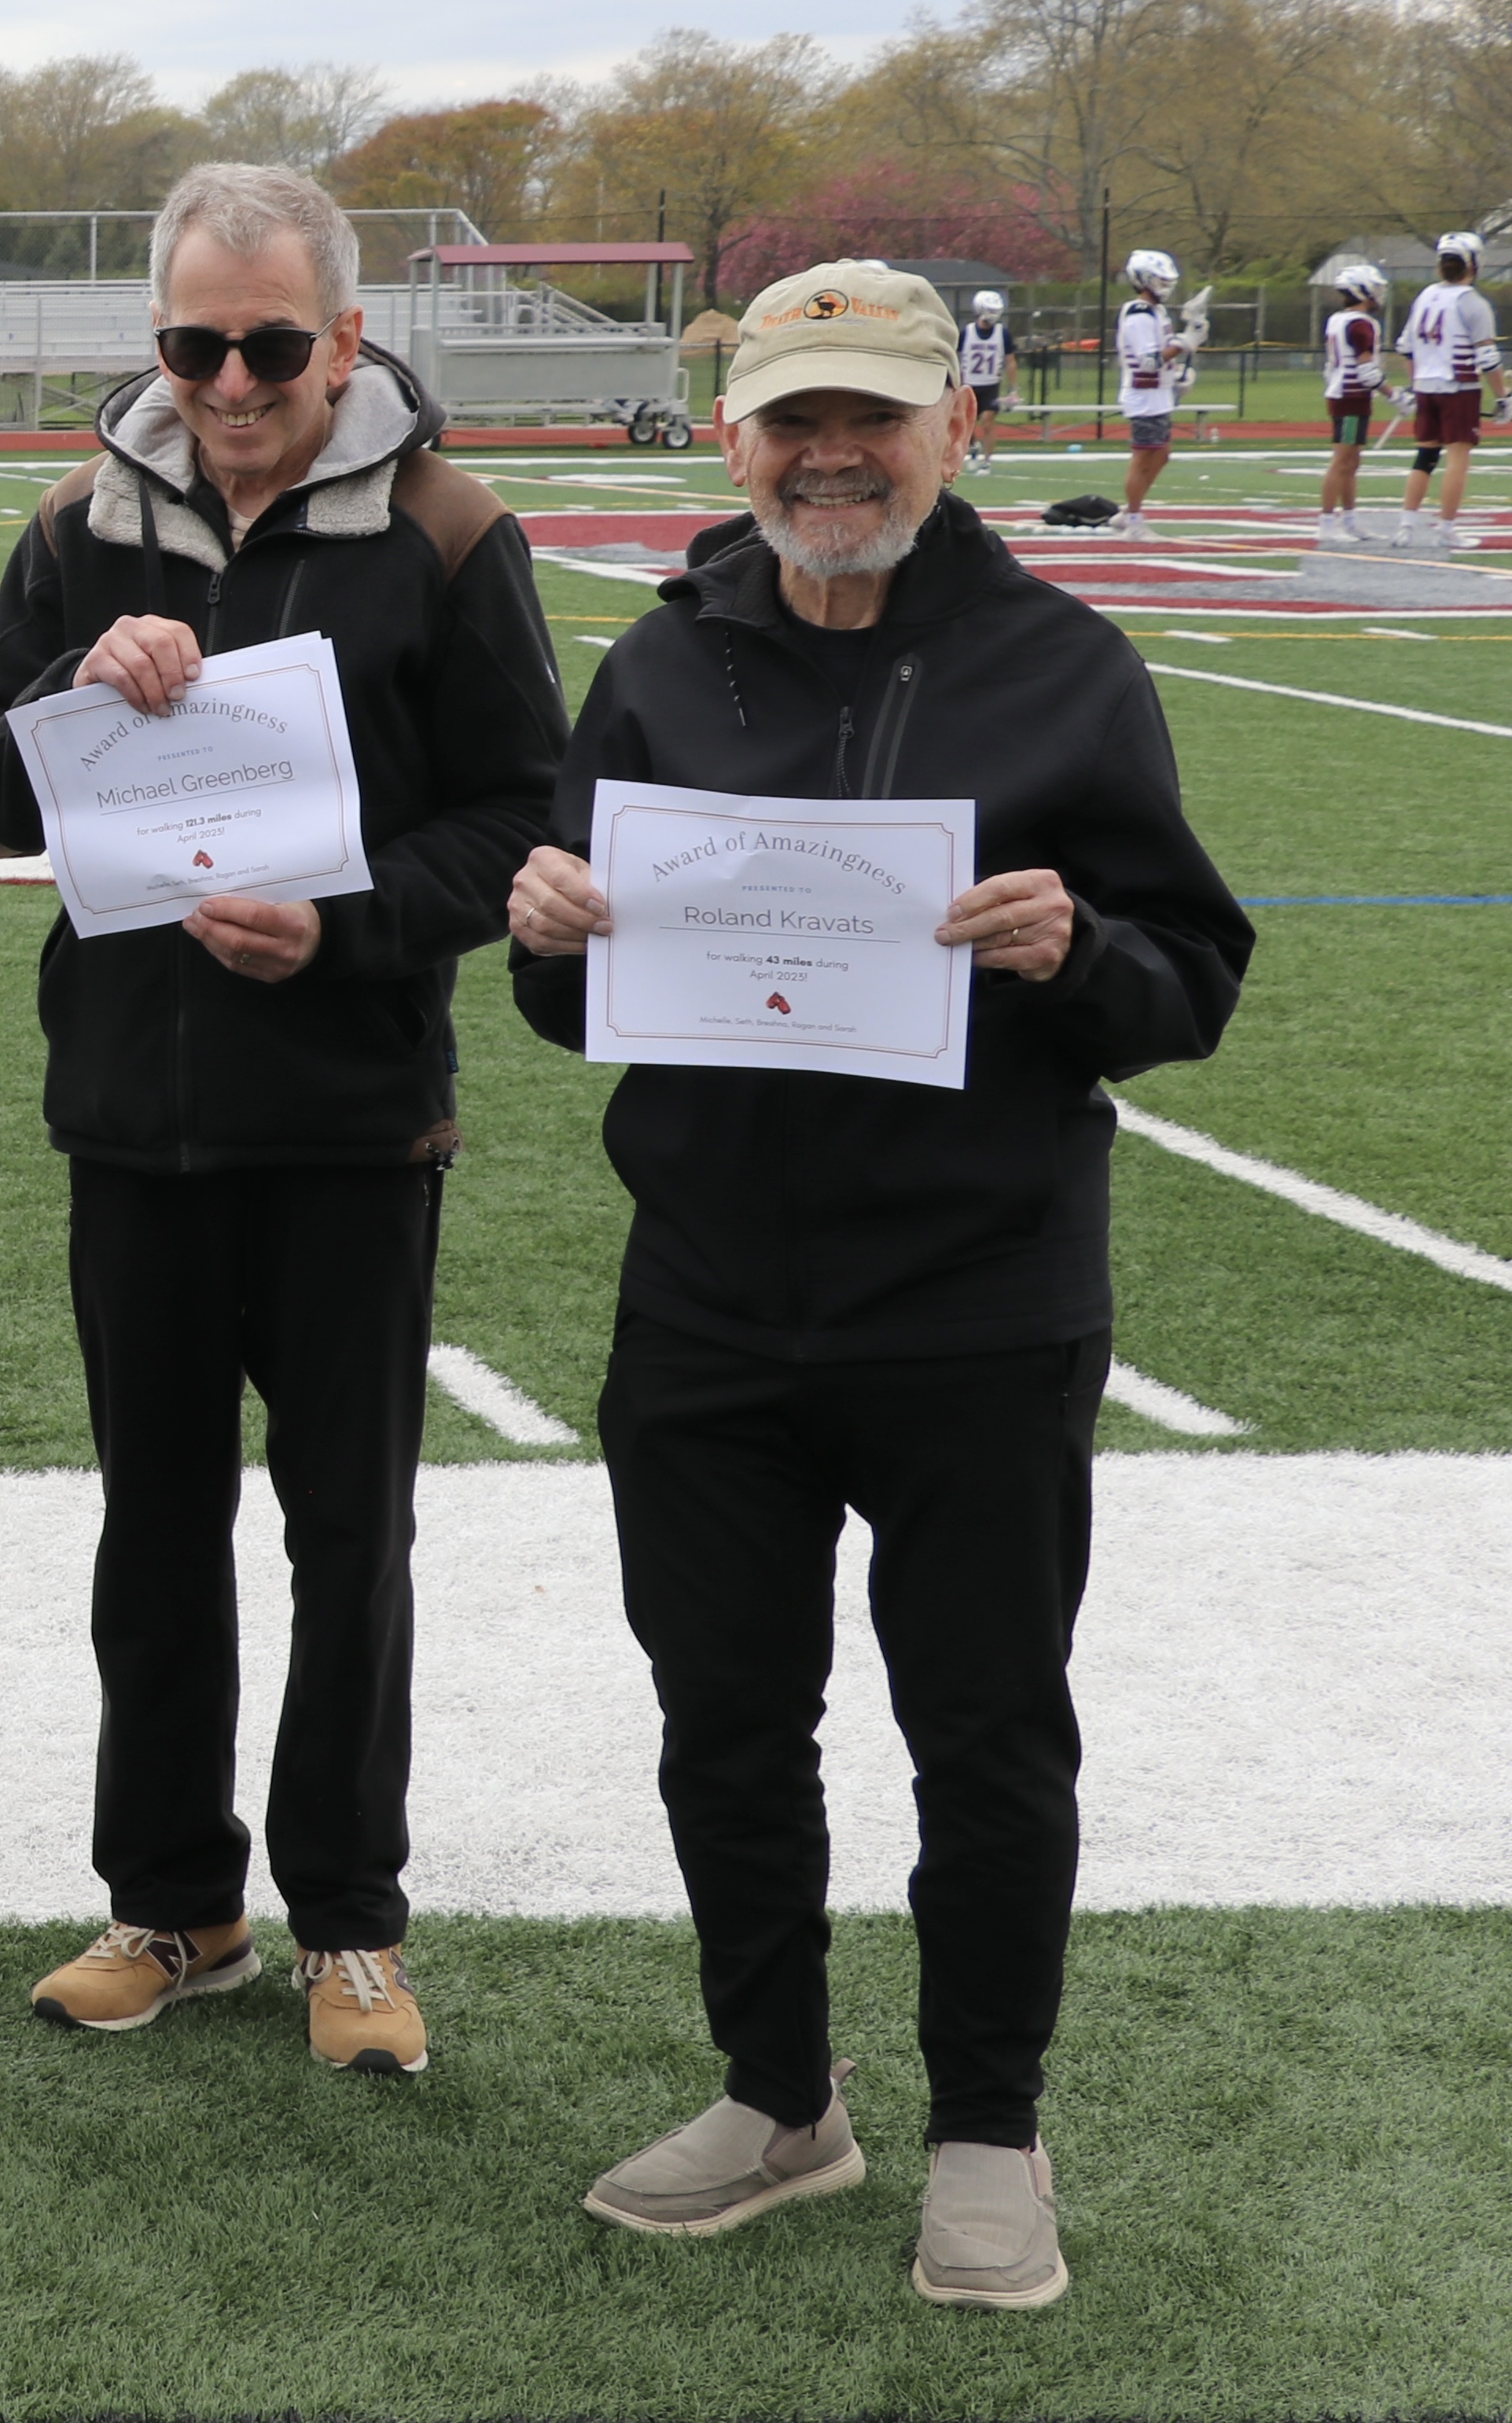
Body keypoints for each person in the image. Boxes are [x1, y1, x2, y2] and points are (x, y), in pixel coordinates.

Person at [509, 260, 1251, 2312]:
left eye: (875, 416)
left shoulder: (1066, 669)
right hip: (712, 1297)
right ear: (737, 435)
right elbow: (573, 1006)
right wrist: (551, 927)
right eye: (792, 418)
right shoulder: (661, 668)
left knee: (988, 1731)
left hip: (975, 1301)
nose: (831, 455)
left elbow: (1187, 986)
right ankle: (780, 2095)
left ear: (957, 427)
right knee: (725, 1720)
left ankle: (993, 2135)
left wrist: (1072, 954)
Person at [0, 162, 567, 2079]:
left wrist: (347, 927)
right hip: (133, 1114)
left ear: (346, 338)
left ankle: (350, 1924)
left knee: (346, 1532)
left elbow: (521, 816)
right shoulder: (77, 524)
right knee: (155, 1529)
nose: (228, 378)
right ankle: (172, 1901)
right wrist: (70, 685)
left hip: (354, 1120)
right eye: (193, 344)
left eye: (268, 344)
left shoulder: (450, 533)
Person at [1394, 231, 1495, 547]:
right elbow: (1488, 358)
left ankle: (1406, 525)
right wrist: (1503, 397)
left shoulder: (1425, 296)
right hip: (1459, 387)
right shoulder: (1472, 303)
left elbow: (1405, 348)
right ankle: (1447, 528)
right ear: (1473, 265)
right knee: (1457, 458)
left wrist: (1415, 384)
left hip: (1426, 386)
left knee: (1425, 456)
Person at [1312, 266, 1389, 543]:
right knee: (1343, 461)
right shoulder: (1361, 324)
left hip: (1344, 393)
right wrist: (1394, 394)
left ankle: (1350, 519)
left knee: (1352, 461)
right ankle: (1327, 521)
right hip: (1351, 396)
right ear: (1363, 291)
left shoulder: (1338, 320)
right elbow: (1366, 370)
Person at [1109, 249, 1180, 539]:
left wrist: (1178, 373)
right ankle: (1134, 520)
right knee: (1144, 457)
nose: (1164, 287)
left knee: (1161, 455)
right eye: (1158, 281)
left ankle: (1129, 512)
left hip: (1157, 395)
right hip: (1144, 395)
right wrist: (1184, 344)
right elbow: (1148, 361)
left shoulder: (1155, 312)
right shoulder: (1139, 314)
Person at [952, 289, 1007, 467]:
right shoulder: (967, 333)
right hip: (970, 384)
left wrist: (1014, 389)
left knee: (988, 420)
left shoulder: (1002, 334)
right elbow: (955, 357)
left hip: (991, 385)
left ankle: (987, 461)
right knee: (966, 424)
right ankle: (974, 445)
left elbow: (1012, 361)